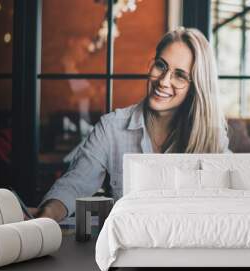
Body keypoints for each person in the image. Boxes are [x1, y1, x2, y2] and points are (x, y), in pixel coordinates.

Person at [29, 27, 230, 222]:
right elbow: (74, 185)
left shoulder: (212, 138)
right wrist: (47, 215)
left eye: (180, 75)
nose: (163, 81)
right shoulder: (111, 128)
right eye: (161, 65)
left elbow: (231, 203)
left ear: (196, 87)